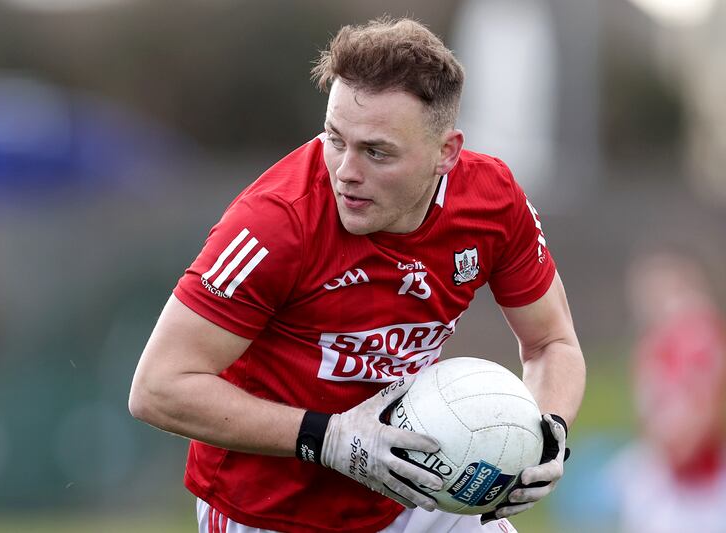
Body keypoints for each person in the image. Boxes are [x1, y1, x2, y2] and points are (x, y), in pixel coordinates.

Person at [129, 17, 585, 533]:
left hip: (415, 494)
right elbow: (159, 387)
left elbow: (551, 343)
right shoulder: (276, 223)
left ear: (446, 154)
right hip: (269, 510)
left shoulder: (492, 202)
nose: (345, 170)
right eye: (334, 138)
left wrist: (548, 432)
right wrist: (332, 437)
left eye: (376, 151)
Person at [604, 251, 726, 532]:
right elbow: (650, 409)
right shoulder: (652, 345)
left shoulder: (700, 335)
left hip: (700, 476)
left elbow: (706, 403)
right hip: (669, 467)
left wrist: (681, 447)